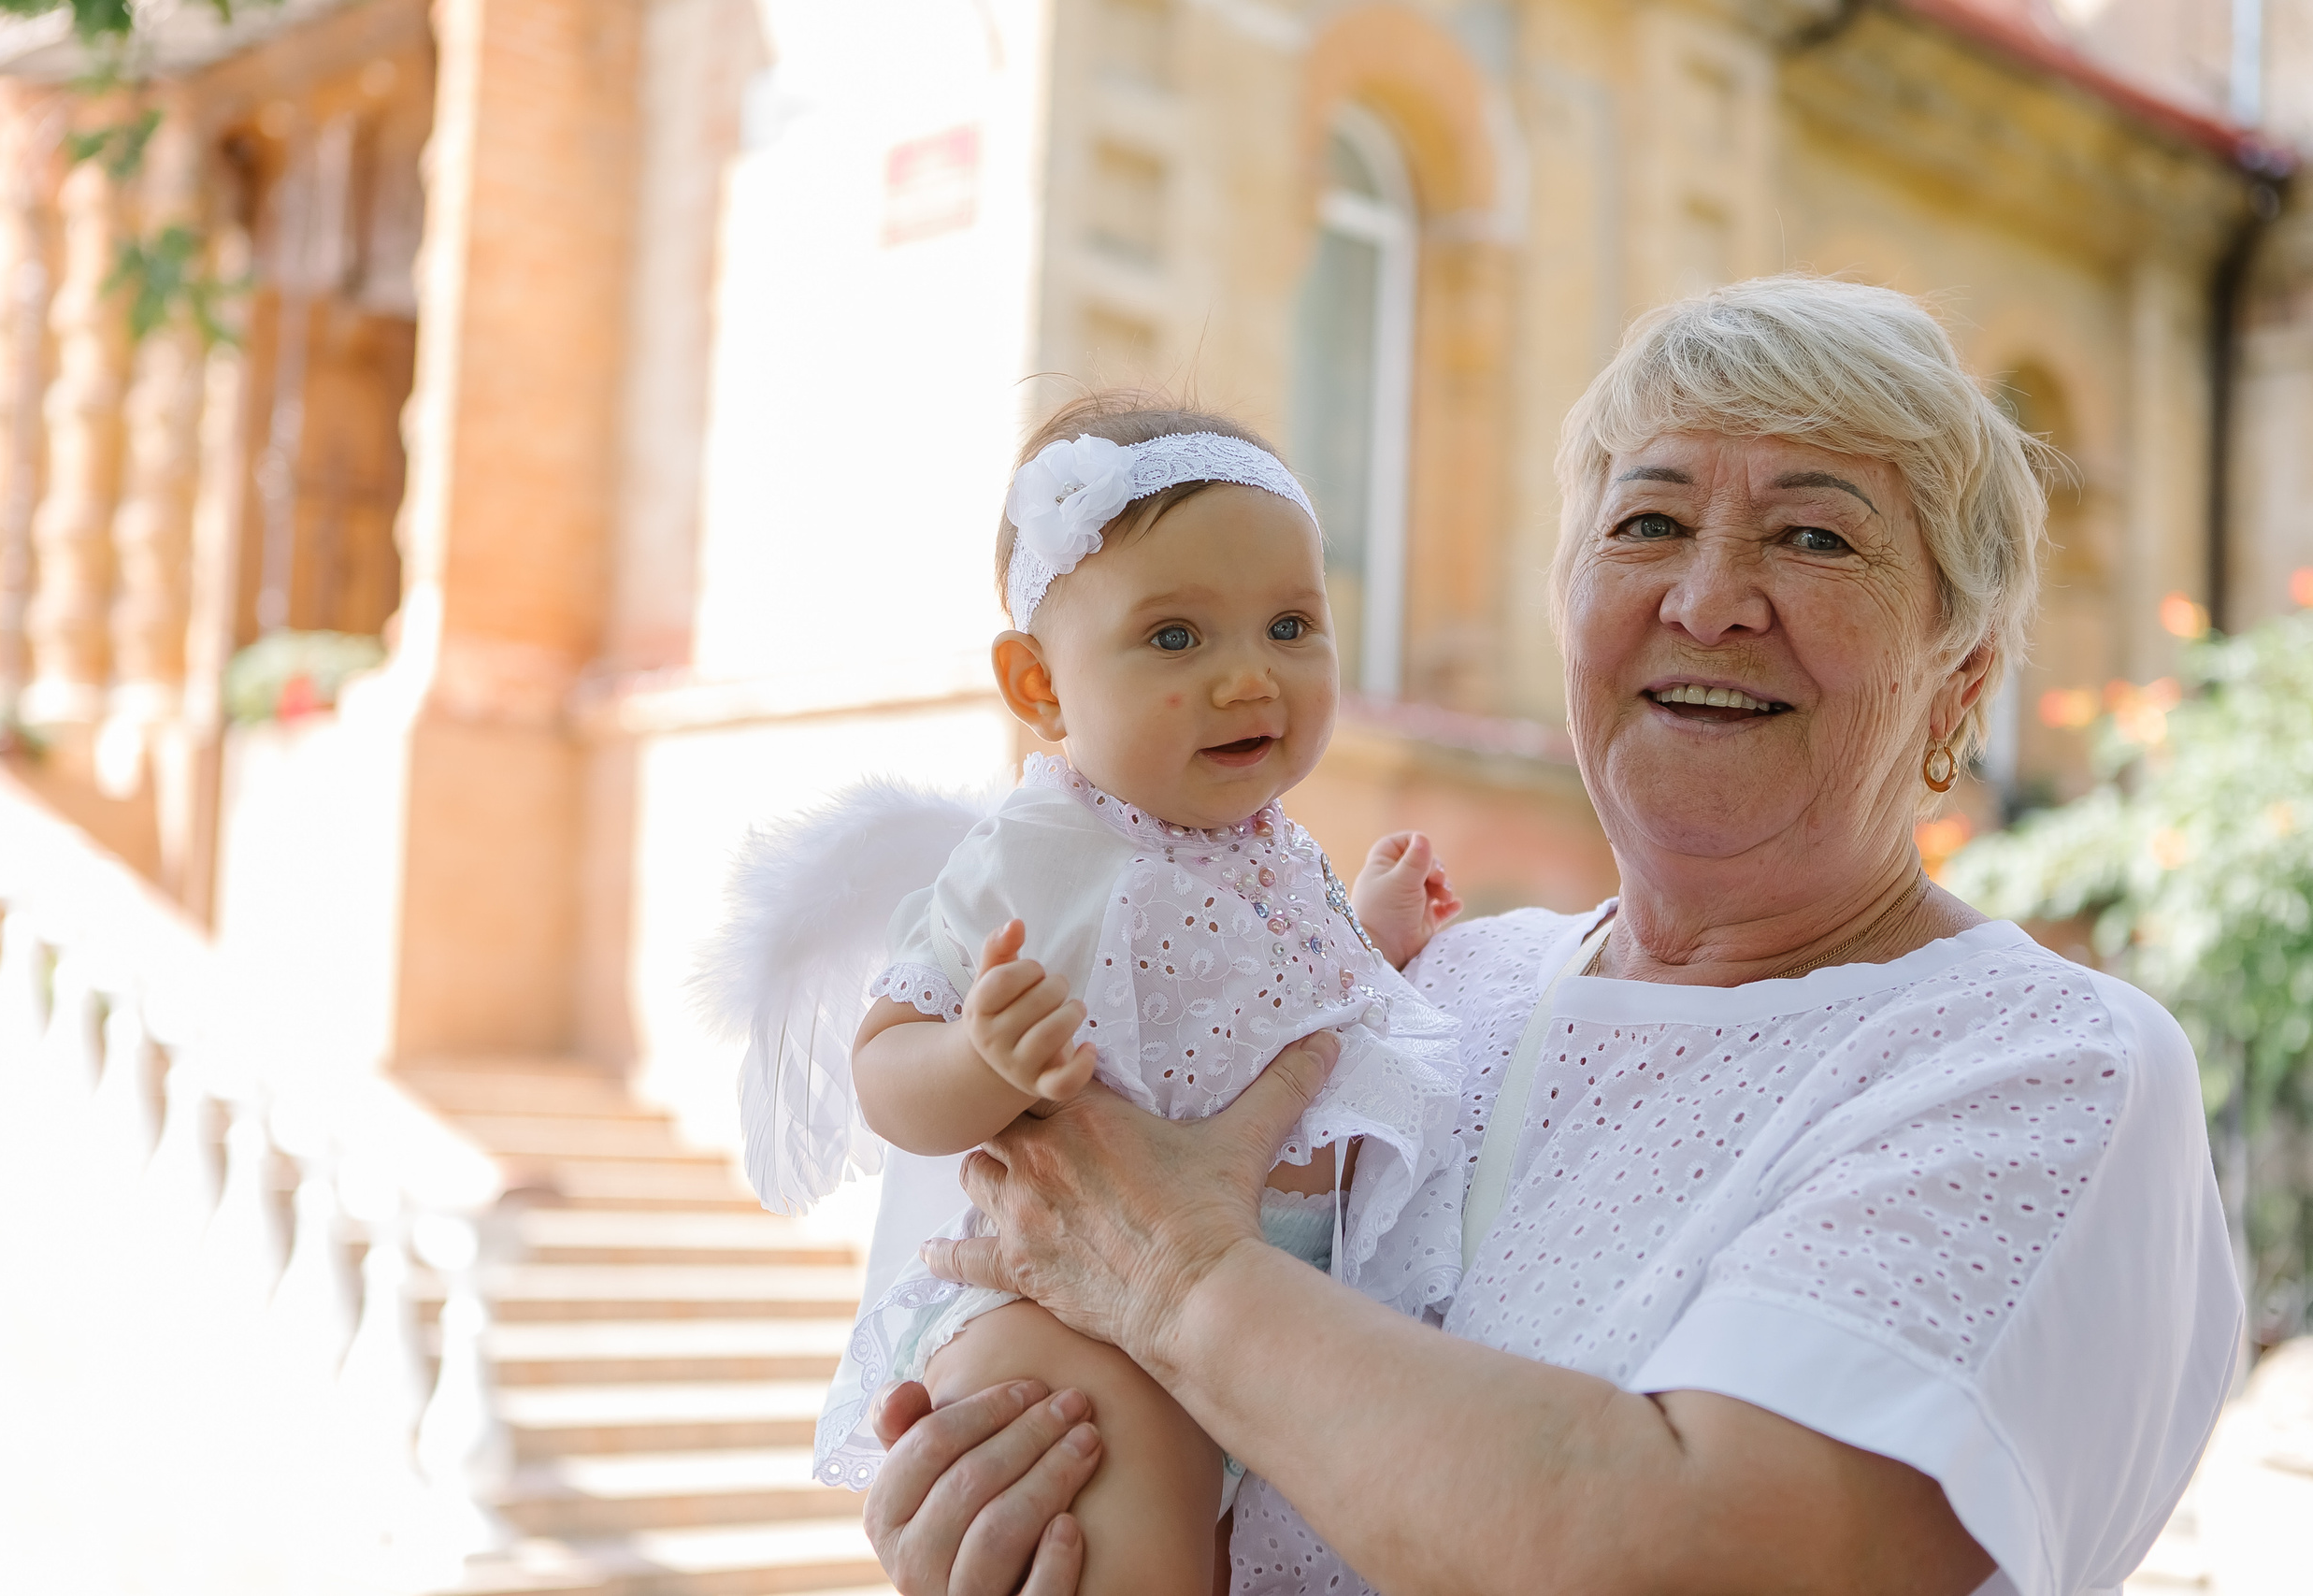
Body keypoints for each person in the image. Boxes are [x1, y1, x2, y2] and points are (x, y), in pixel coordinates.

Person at [855, 276, 2243, 1596]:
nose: (1707, 599)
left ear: (1964, 681)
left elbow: (1698, 1558)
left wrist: (1171, 1274)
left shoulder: (2042, 1066)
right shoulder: (1438, 988)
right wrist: (1022, 1503)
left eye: (1815, 536)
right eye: (1646, 526)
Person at [711, 395, 1473, 1591]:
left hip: (1252, 1323)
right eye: (1176, 638)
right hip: (1075, 1327)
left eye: (1288, 626)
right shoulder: (1038, 851)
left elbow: (1296, 1000)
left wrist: (1368, 933)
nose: (1247, 680)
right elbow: (884, 1066)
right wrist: (978, 1062)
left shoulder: (1271, 846)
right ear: (1040, 686)